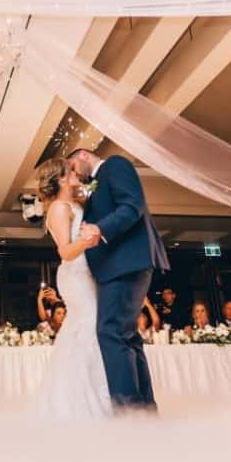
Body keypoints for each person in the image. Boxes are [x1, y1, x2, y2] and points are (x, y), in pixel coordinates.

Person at [67, 148, 169, 413]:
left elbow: (132, 204)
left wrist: (101, 229)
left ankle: (128, 411)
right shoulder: (94, 185)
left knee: (110, 331)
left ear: (84, 155)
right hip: (117, 267)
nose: (74, 173)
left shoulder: (115, 165)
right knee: (127, 336)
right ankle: (143, 410)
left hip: (125, 264)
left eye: (73, 166)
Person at [32, 157, 112, 418]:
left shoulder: (74, 203)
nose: (77, 172)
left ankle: (94, 393)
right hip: (75, 275)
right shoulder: (57, 208)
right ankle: (78, 402)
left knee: (88, 329)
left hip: (87, 273)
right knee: (87, 326)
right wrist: (89, 241)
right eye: (71, 170)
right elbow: (65, 251)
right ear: (62, 178)